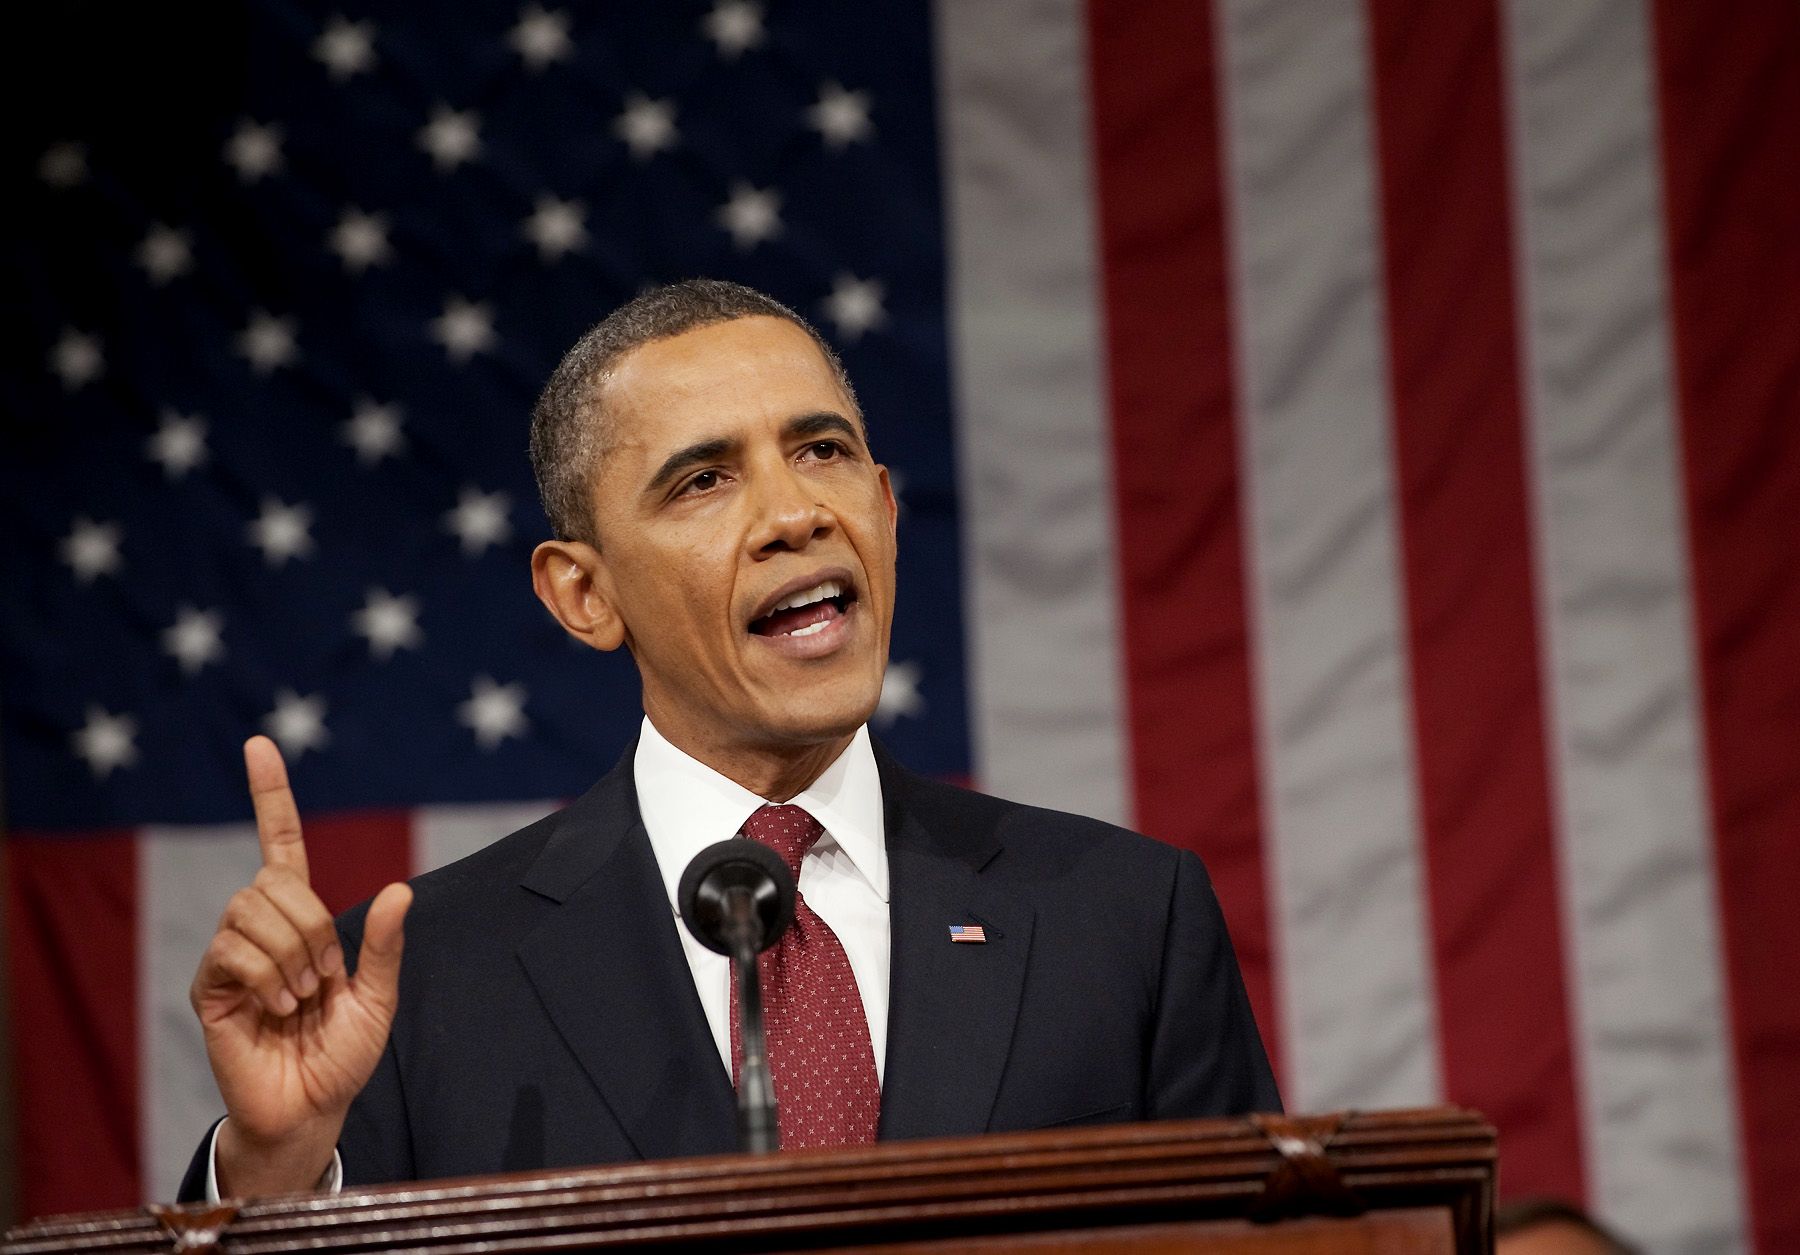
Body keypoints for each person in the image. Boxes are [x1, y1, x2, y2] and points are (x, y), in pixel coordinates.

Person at [180, 279, 1279, 1200]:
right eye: (705, 479)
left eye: (823, 451)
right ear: (583, 593)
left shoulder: (1123, 917)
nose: (795, 512)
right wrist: (274, 1174)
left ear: (887, 512)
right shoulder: (418, 983)